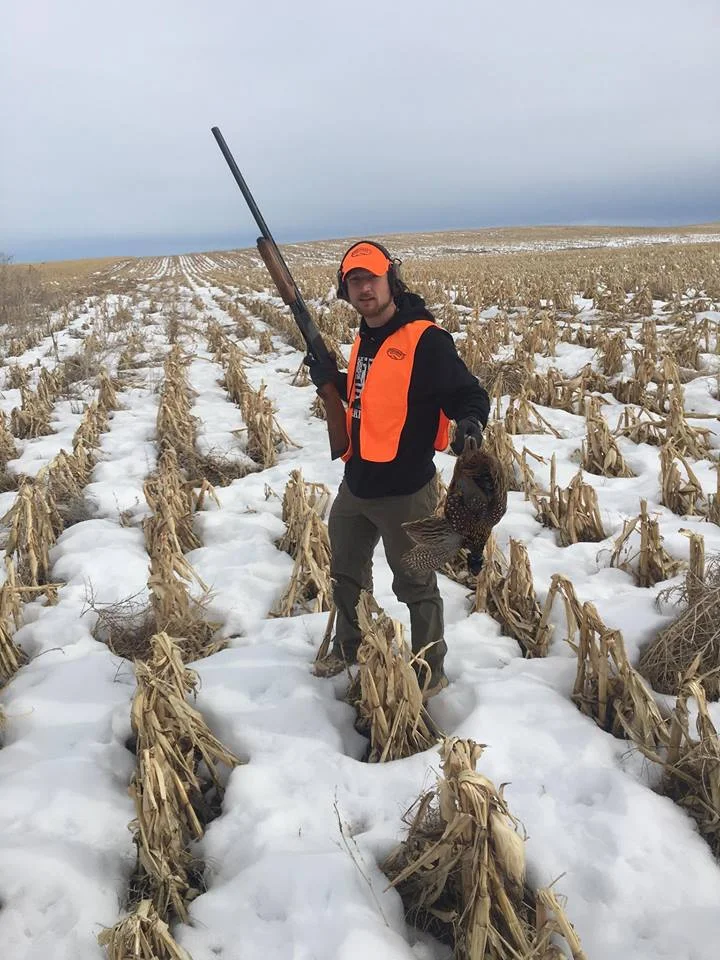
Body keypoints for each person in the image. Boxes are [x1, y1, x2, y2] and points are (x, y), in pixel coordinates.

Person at [306, 240, 489, 697]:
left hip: (406, 492)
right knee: (346, 574)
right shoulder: (366, 337)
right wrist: (333, 381)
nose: (364, 289)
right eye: (354, 281)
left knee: (416, 584)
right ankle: (350, 647)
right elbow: (371, 397)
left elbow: (468, 393)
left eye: (372, 278)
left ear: (391, 279)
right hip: (356, 485)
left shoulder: (425, 340)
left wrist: (470, 421)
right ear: (345, 290)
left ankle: (430, 669)